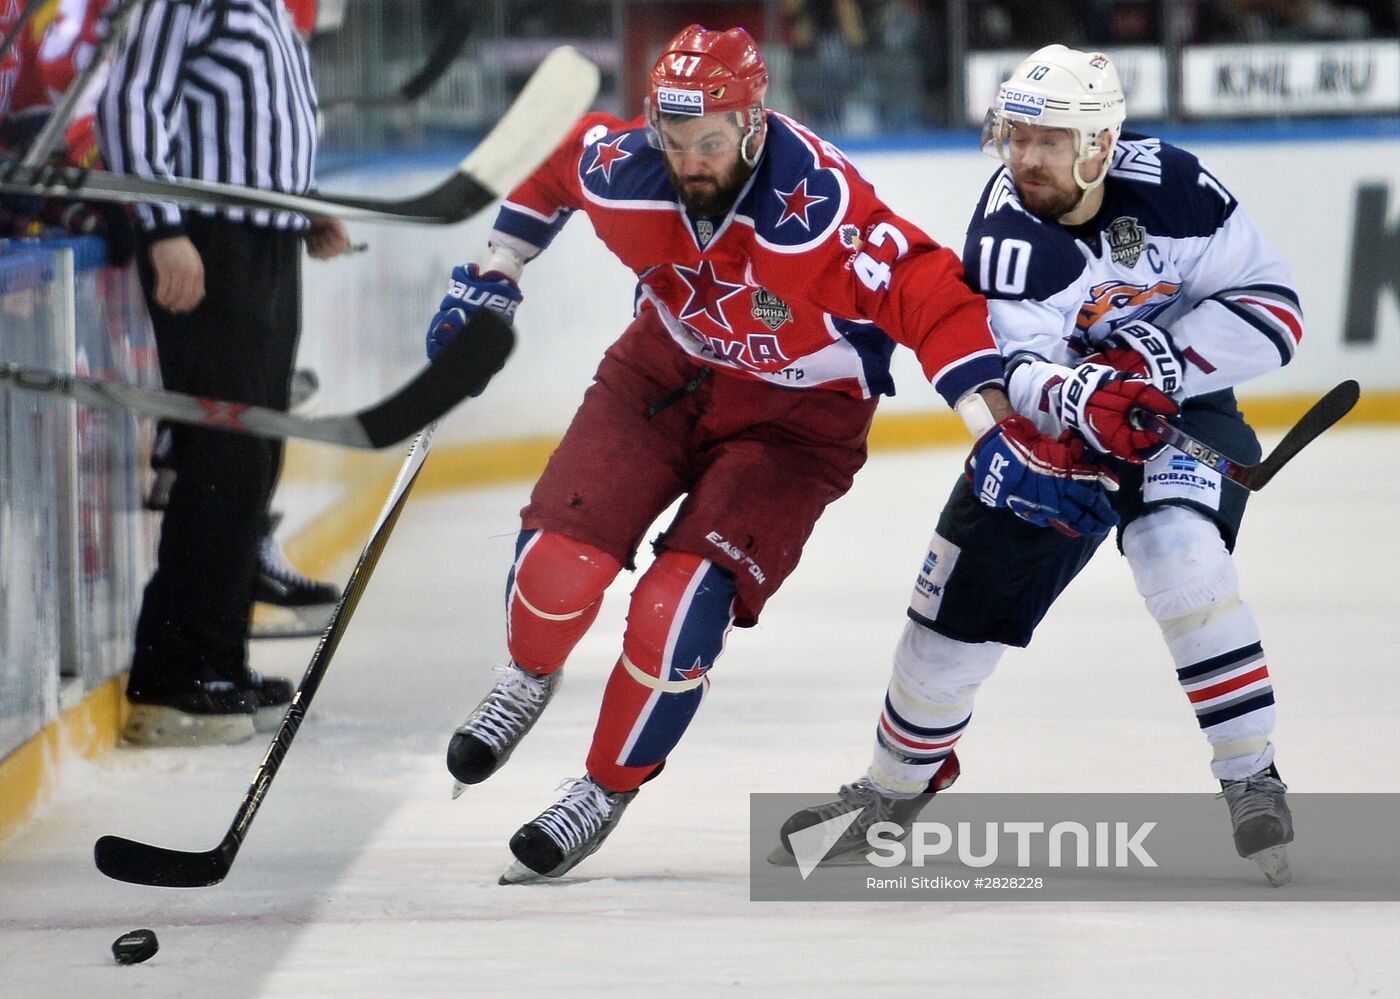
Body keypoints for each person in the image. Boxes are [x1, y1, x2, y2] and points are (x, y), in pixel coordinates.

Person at [427, 25, 1120, 884]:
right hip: (665, 369)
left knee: (674, 612)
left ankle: (604, 787)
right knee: (553, 576)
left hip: (798, 423)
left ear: (754, 122)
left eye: (710, 140)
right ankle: (529, 673)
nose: (689, 160)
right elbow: (560, 159)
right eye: (674, 140)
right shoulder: (631, 169)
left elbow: (933, 295)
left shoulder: (818, 212)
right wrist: (494, 271)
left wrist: (995, 429)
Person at [772, 44, 1303, 885]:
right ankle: (891, 790)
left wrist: (1157, 369)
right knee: (946, 617)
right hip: (1055, 435)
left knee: (1183, 556)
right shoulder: (1009, 234)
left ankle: (1250, 776)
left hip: (1177, 408)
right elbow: (1017, 369)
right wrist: (1088, 395)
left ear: (1101, 143)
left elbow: (1274, 310)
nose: (1024, 158)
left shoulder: (1177, 189)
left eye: (1048, 141)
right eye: (1014, 137)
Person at [97, 0, 350, 746]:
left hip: (261, 239)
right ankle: (173, 675)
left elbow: (262, 112)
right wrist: (162, 227)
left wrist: (302, 207)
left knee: (253, 458)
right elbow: (130, 100)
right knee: (224, 457)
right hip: (207, 242)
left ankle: (217, 662)